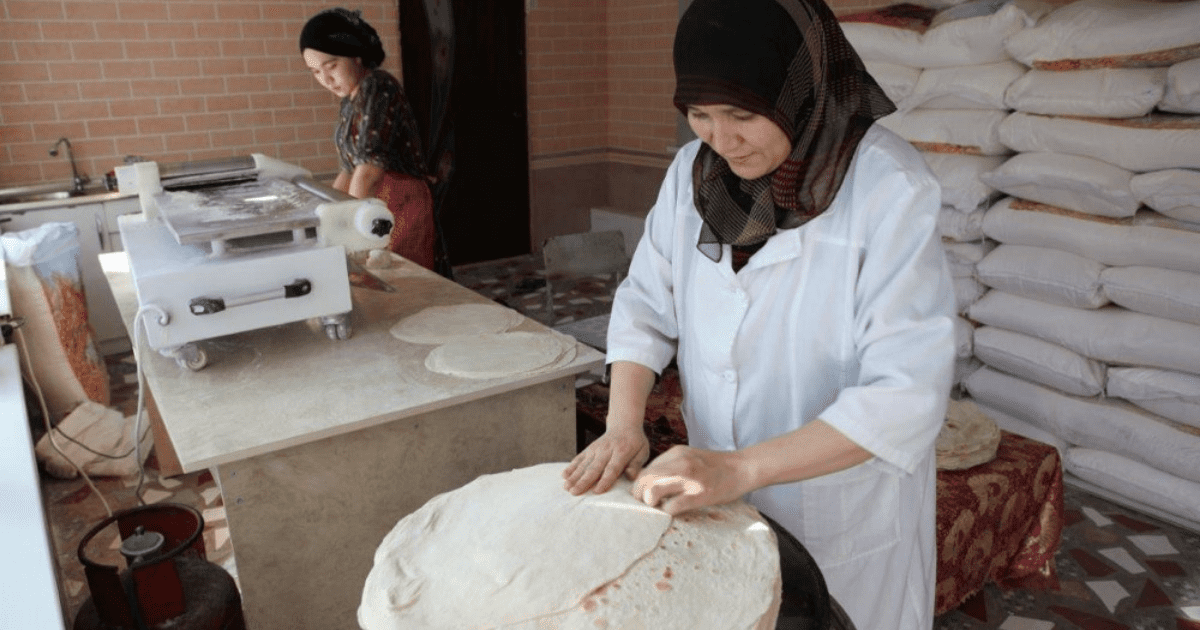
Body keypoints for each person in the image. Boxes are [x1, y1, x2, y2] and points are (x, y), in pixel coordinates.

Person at [561, 0, 956, 628]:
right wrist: (623, 422)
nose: (721, 138)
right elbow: (645, 299)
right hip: (724, 502)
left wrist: (741, 468)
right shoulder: (694, 173)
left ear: (799, 91)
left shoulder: (888, 187)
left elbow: (907, 393)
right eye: (699, 115)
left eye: (743, 113)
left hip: (839, 509)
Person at [300, 8, 436, 270]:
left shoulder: (377, 86)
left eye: (332, 66)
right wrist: (322, 217)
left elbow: (368, 172)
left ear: (357, 55)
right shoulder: (349, 101)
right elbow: (348, 171)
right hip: (372, 201)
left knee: (403, 281)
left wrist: (351, 230)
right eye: (316, 72)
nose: (326, 79)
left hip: (397, 203)